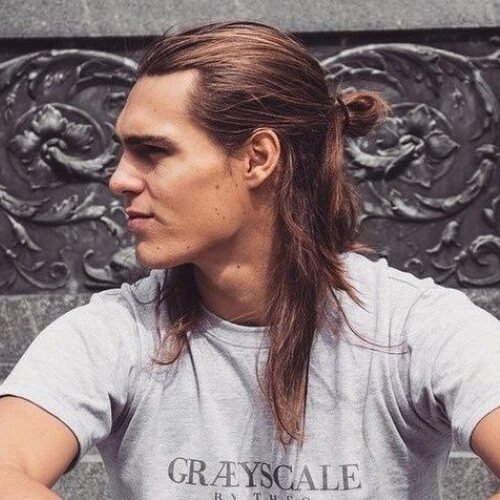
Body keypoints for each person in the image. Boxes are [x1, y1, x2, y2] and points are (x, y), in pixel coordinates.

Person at [0, 20, 499, 500]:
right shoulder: (115, 333)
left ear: (257, 158)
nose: (119, 180)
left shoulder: (414, 328)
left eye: (152, 151)